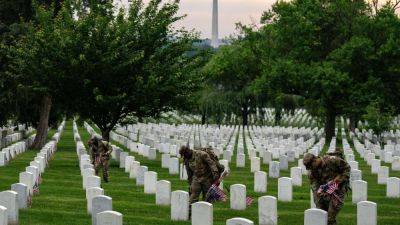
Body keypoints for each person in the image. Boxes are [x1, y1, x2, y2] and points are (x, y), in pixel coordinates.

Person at [303, 150, 351, 225]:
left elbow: (347, 168)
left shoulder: (332, 160)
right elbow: (315, 188)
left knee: (330, 218)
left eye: (311, 167)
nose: (311, 169)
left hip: (338, 190)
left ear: (315, 160)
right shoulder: (312, 172)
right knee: (322, 215)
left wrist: (337, 181)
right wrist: (319, 201)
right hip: (324, 192)